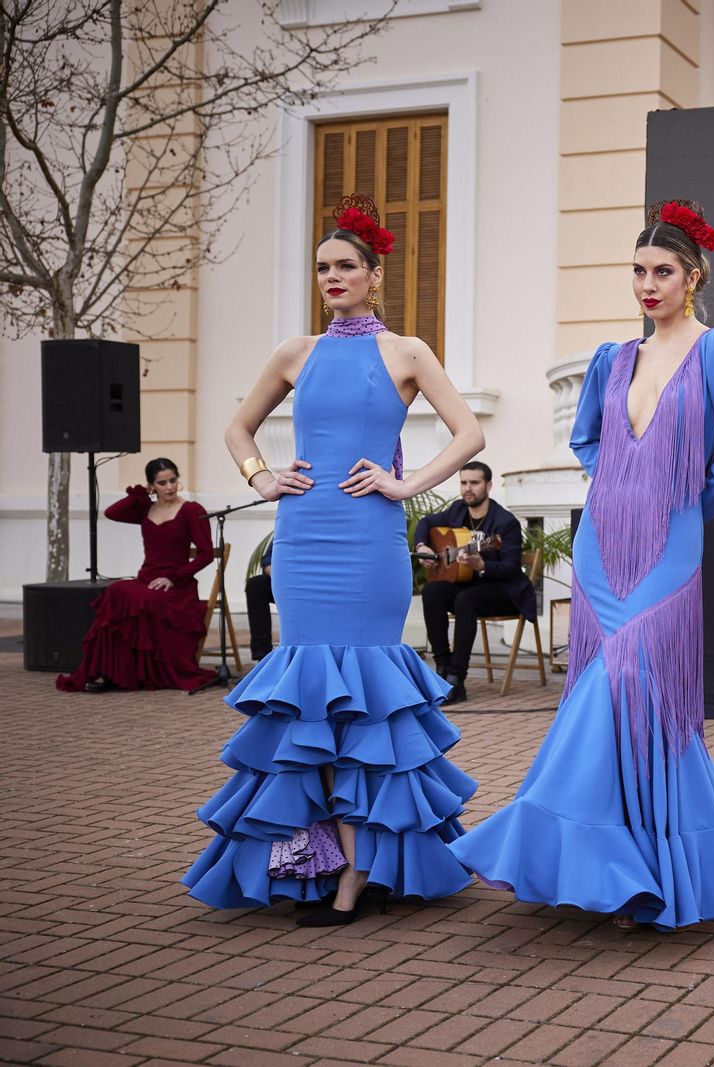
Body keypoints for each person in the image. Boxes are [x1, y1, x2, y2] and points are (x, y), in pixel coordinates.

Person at [448, 199, 714, 930]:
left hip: (670, 541)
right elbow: (587, 439)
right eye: (638, 271)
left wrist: (686, 498)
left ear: (691, 277)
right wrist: (621, 483)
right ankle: (609, 858)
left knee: (634, 673)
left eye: (662, 271)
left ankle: (630, 852)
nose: (647, 284)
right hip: (604, 539)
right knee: (608, 687)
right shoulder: (613, 357)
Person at [183, 193, 486, 926]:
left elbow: (468, 433)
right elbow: (238, 426)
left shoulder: (408, 351)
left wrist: (405, 483)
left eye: (347, 265)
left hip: (369, 538)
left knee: (365, 706)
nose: (333, 276)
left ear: (375, 274)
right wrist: (261, 476)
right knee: (310, 704)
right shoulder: (296, 352)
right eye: (323, 267)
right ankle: (312, 859)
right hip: (305, 533)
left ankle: (356, 871)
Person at [57, 458, 218, 692]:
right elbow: (112, 512)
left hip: (176, 588)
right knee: (114, 591)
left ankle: (132, 674)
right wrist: (140, 494)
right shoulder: (145, 509)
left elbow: (205, 555)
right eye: (162, 483)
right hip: (146, 579)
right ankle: (107, 673)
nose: (170, 487)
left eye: (173, 480)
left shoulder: (192, 510)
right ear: (152, 485)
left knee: (146, 600)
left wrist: (173, 578)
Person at [415, 461, 536, 704]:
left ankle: (457, 681)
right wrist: (422, 546)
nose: (468, 488)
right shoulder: (457, 510)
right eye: (463, 482)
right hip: (468, 586)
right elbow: (425, 523)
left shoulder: (505, 522)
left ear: (488, 485)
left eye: (474, 483)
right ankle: (442, 668)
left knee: (465, 599)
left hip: (504, 592)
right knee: (432, 592)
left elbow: (512, 567)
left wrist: (482, 566)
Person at [243, 538, 275, 662]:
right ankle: (262, 656)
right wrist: (274, 574)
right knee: (256, 585)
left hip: (316, 581)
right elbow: (267, 558)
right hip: (286, 580)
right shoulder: (289, 523)